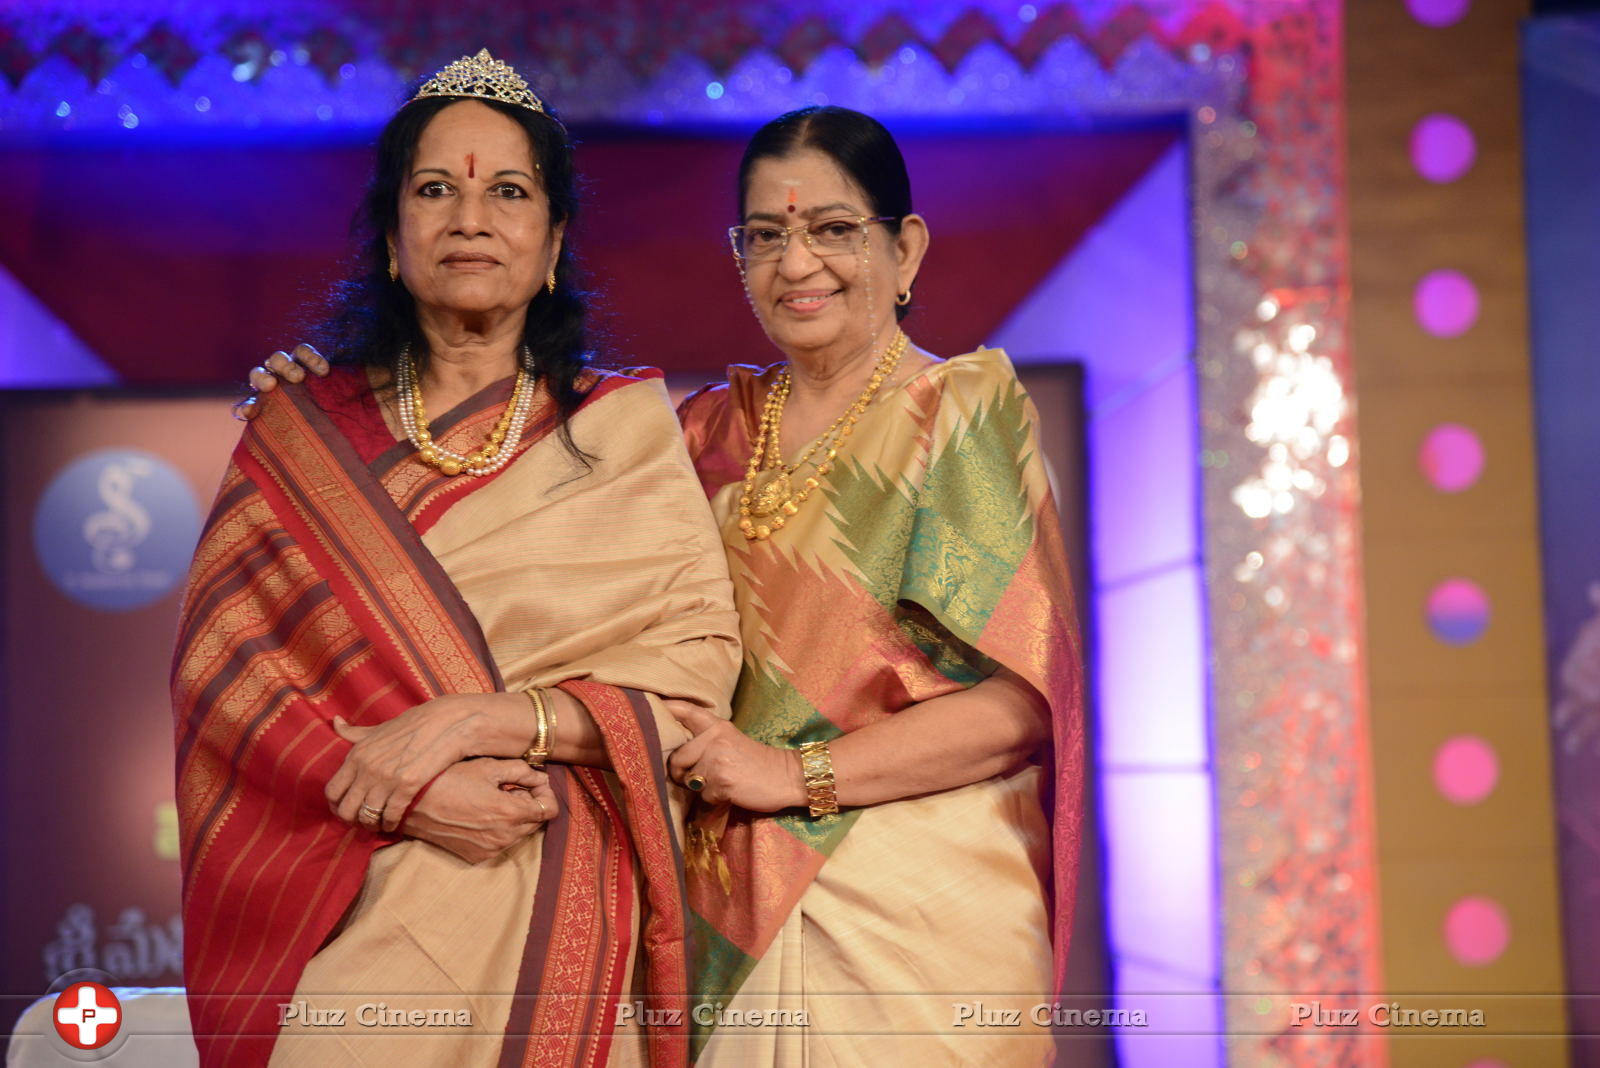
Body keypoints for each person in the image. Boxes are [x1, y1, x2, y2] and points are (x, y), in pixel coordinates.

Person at [248, 105, 1082, 1065]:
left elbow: (1018, 706)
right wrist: (330, 413)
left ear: (908, 249)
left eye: (834, 230)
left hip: (920, 909)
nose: (797, 263)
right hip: (725, 897)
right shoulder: (703, 433)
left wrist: (792, 775)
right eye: (765, 236)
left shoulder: (962, 413)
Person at [173, 50, 740, 1068]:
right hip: (360, 882)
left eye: (508, 192)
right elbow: (225, 674)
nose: (470, 217)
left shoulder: (624, 430)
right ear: (393, 238)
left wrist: (482, 722)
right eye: (434, 189)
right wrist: (397, 786)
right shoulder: (305, 433)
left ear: (552, 242)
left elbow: (695, 676)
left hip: (572, 874)